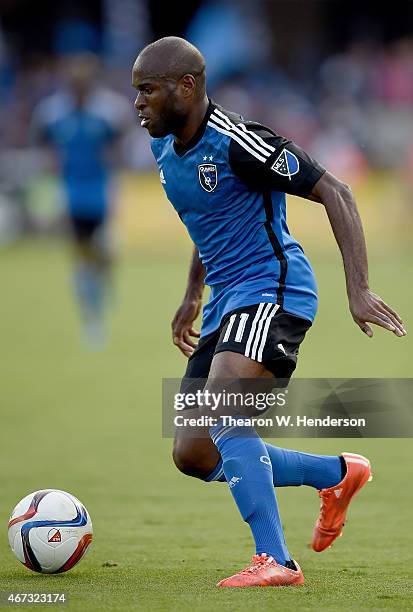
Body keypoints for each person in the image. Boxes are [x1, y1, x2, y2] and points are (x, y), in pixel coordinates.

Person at [132, 37, 406, 588]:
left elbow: (337, 191)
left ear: (186, 87)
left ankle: (276, 561)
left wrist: (358, 290)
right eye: (135, 92)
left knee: (227, 413)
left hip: (272, 289)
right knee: (193, 453)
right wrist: (192, 294)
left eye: (148, 91)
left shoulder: (240, 142)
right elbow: (205, 221)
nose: (138, 104)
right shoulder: (164, 148)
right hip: (225, 300)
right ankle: (337, 473)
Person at [32, 54, 132, 346]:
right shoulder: (52, 113)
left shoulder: (108, 111)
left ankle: (101, 285)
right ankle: (92, 319)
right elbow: (43, 146)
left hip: (101, 192)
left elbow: (120, 146)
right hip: (72, 195)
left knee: (105, 252)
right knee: (81, 258)